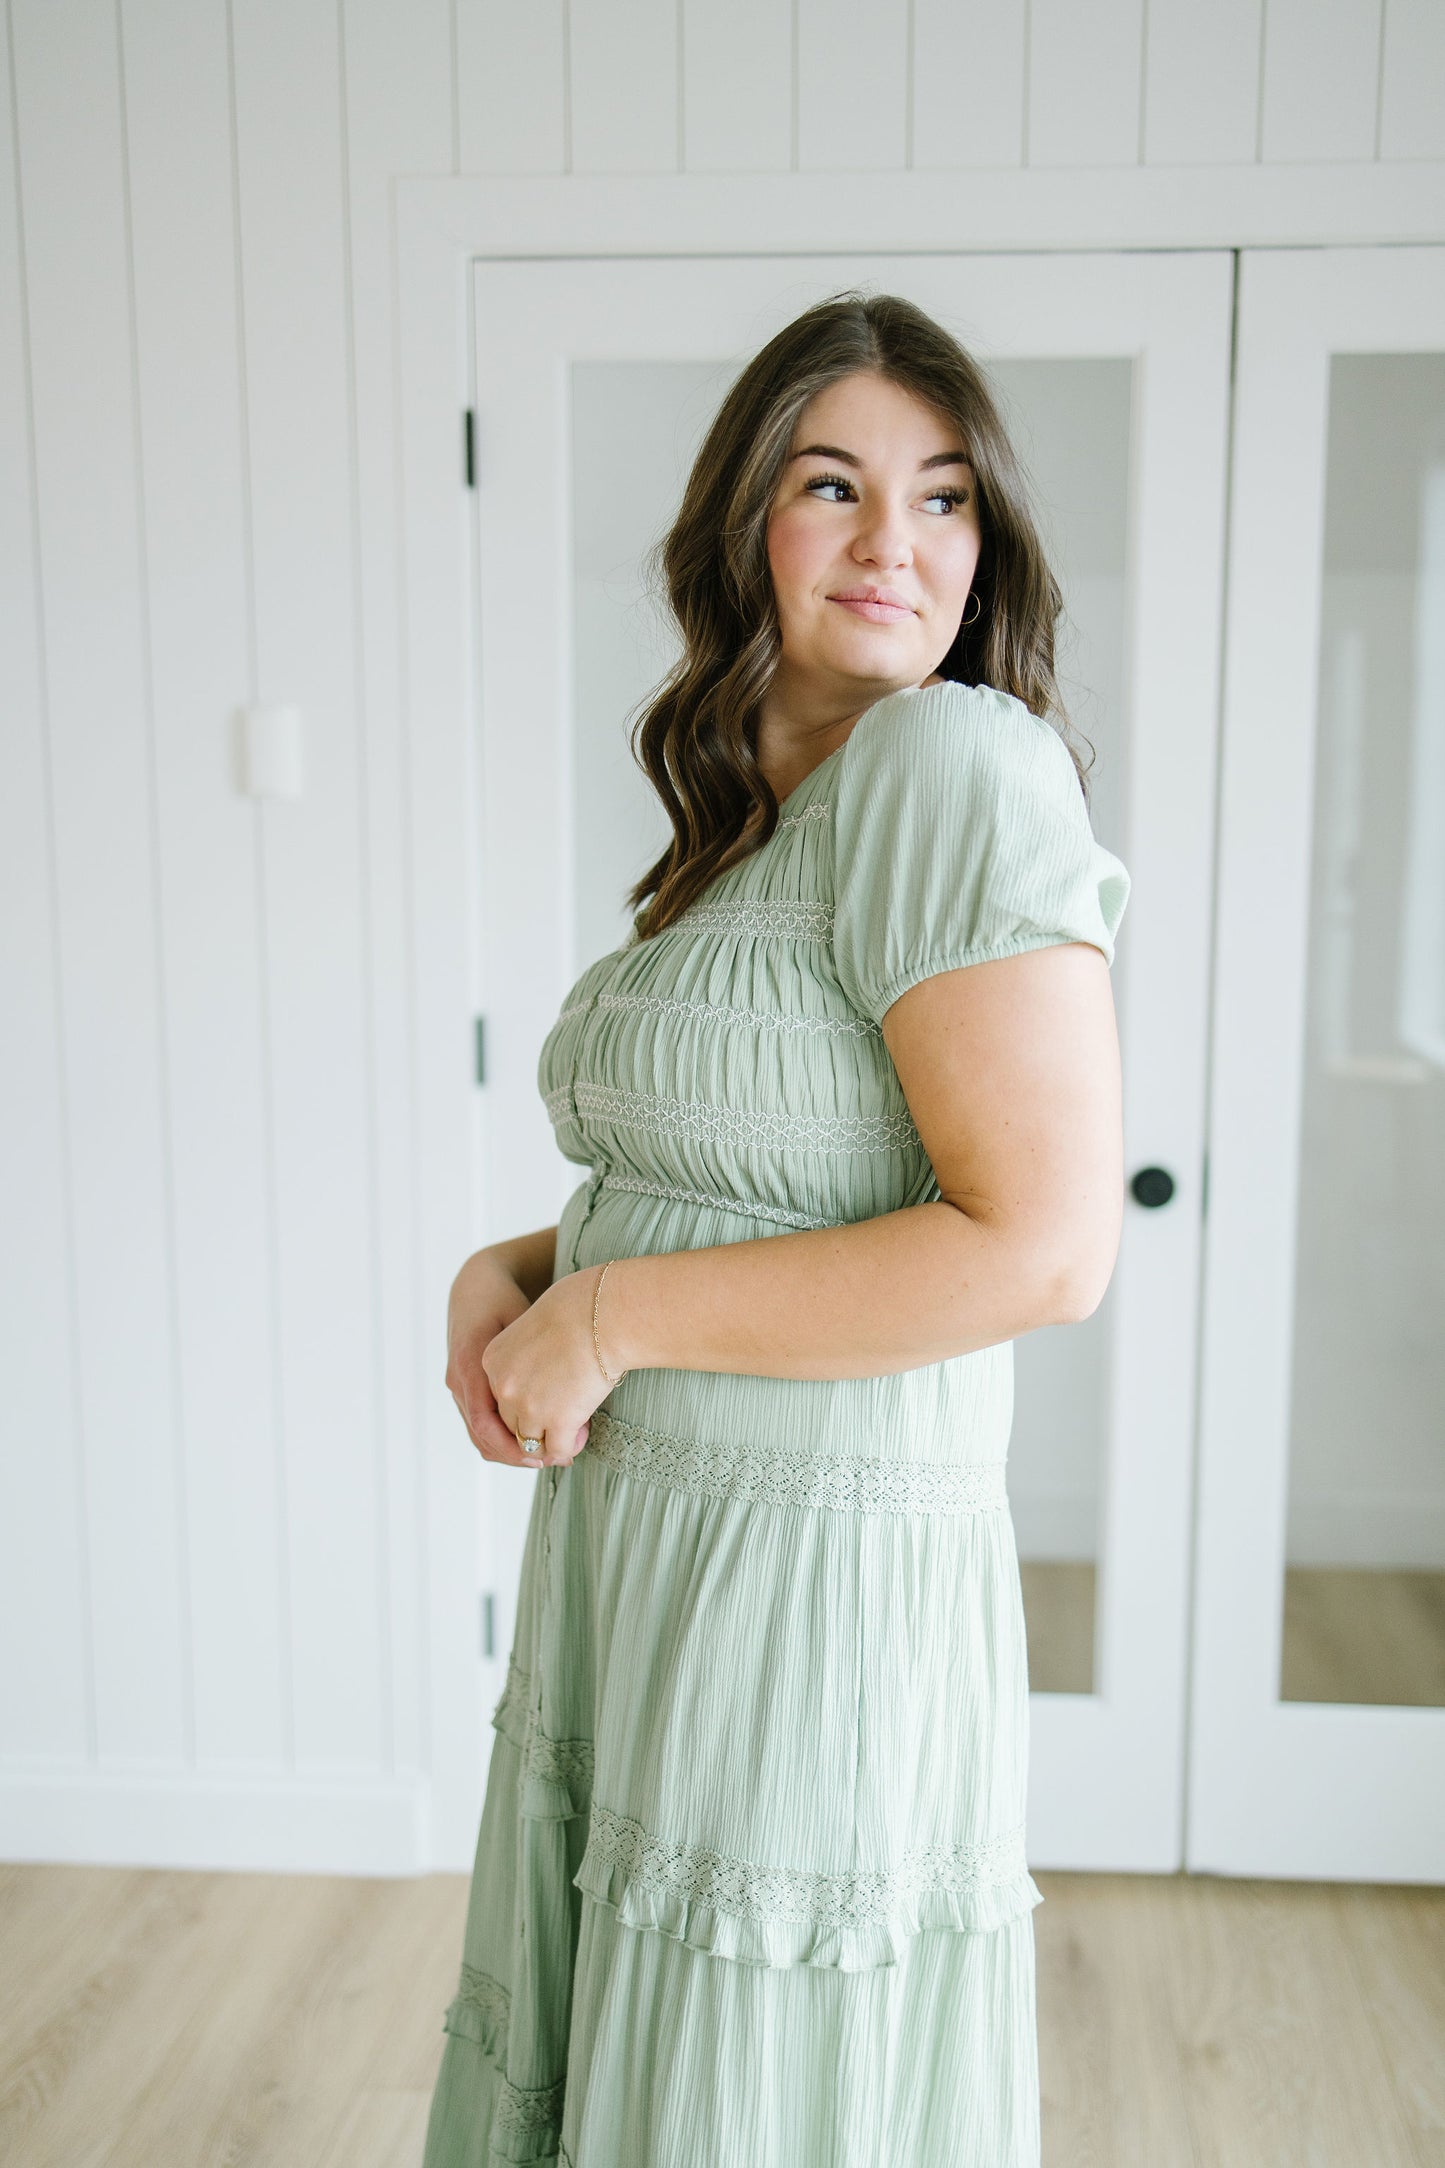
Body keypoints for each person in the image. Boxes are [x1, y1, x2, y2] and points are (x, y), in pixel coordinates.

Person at [422, 290, 1131, 2168]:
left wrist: (619, 1315)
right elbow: (771, 1180)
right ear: (747, 523)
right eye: (833, 485)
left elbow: (1042, 1248)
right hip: (658, 1566)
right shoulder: (752, 821)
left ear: (987, 553)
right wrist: (527, 1274)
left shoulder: (946, 767)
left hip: (802, 1599)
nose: (896, 542)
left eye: (946, 497)